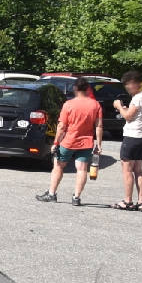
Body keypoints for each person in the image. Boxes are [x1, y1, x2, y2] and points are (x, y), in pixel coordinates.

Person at [36, 77, 103, 206]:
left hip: (68, 141)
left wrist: (56, 143)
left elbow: (61, 127)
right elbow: (99, 126)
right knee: (82, 169)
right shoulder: (95, 105)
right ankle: (76, 198)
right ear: (87, 89)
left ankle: (52, 194)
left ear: (75, 88)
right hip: (86, 142)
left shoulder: (69, 104)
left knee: (58, 166)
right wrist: (99, 144)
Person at [112, 71, 142, 211]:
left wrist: (118, 106)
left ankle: (127, 200)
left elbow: (128, 117)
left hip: (132, 136)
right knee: (138, 170)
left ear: (136, 83)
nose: (127, 87)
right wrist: (126, 109)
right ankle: (140, 201)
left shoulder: (138, 98)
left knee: (127, 169)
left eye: (128, 84)